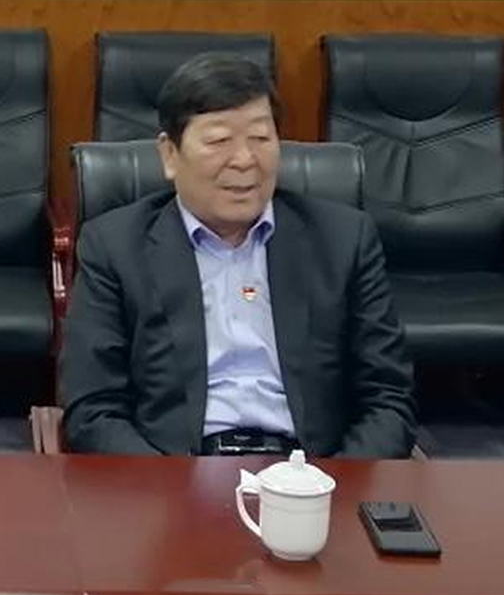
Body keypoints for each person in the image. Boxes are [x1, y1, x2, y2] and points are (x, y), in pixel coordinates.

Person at [59, 53, 415, 458]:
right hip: (174, 471)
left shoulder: (343, 239)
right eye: (218, 141)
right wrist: (163, 487)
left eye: (261, 139)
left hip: (309, 470)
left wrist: (329, 484)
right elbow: (92, 410)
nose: (245, 160)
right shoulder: (115, 246)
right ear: (170, 154)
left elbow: (389, 399)